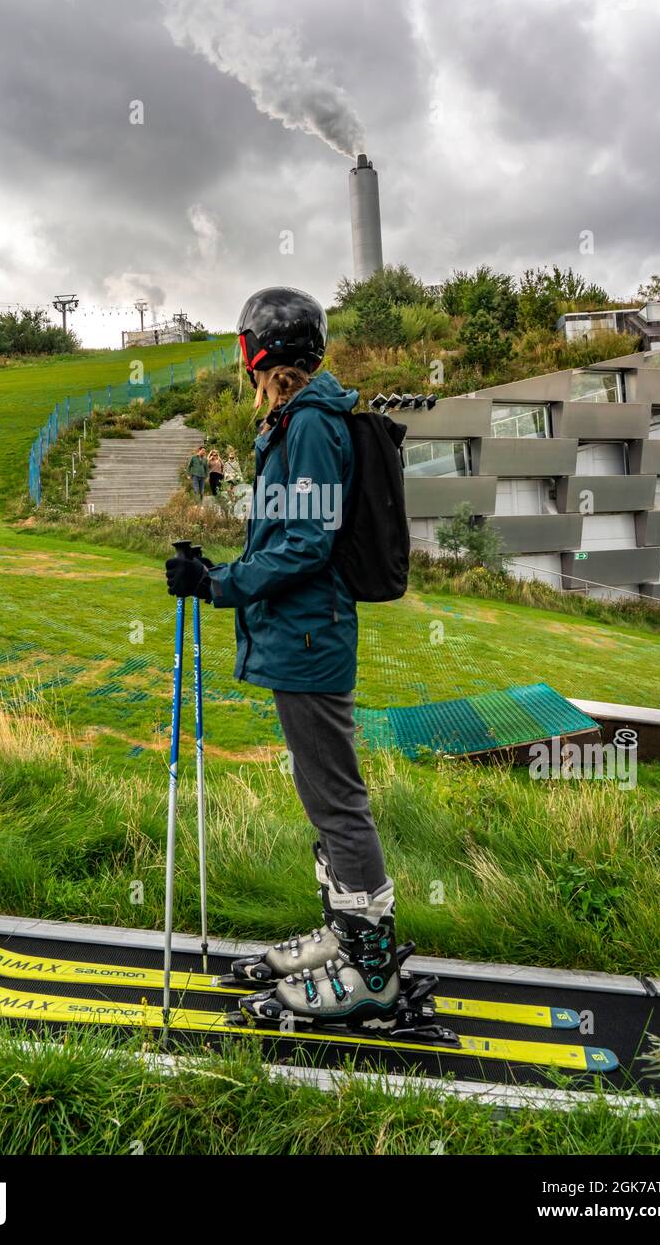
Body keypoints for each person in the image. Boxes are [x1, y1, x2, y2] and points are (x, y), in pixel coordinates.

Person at [165, 286, 399, 1028]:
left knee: (335, 799)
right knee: (322, 796)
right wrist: (221, 568)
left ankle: (372, 973)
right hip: (302, 633)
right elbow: (285, 530)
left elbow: (306, 544)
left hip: (309, 638)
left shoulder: (307, 425)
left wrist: (218, 585)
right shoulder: (299, 421)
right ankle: (344, 934)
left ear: (252, 353)